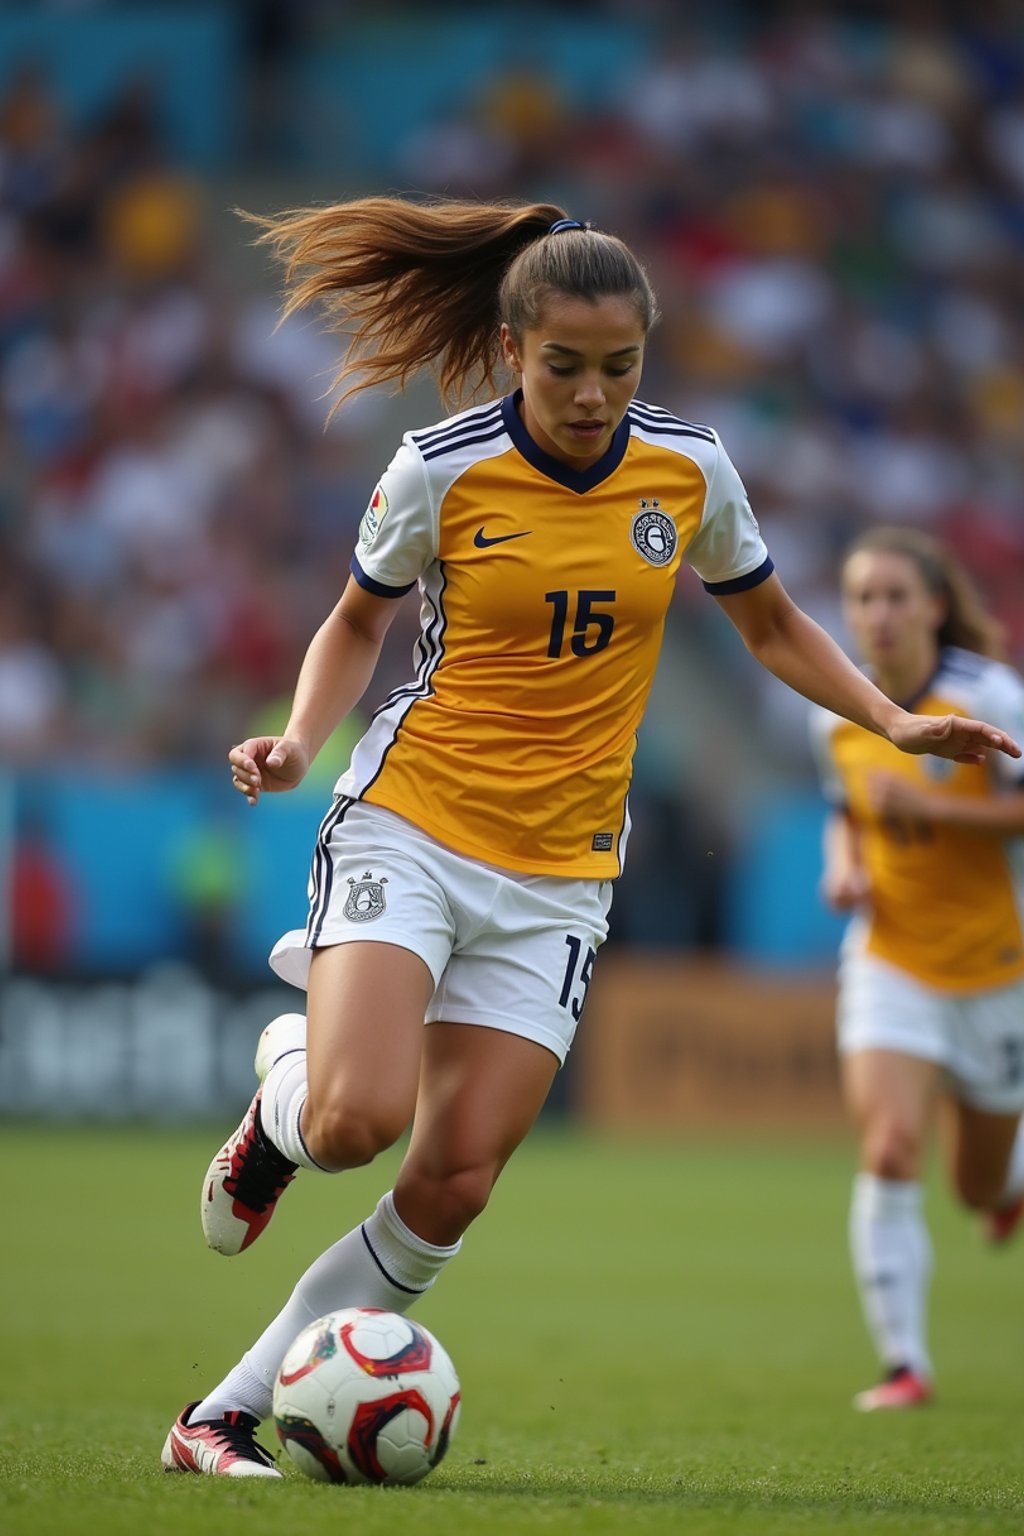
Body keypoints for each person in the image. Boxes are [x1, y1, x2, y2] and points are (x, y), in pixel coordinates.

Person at [161, 199, 1021, 1477]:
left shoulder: (689, 468)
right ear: (512, 349)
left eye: (619, 368)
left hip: (561, 874)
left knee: (452, 1185)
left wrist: (895, 719)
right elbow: (354, 623)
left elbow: (774, 626)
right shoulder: (439, 468)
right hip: (414, 820)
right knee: (355, 1125)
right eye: (564, 367)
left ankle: (217, 1417)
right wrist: (299, 741)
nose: (592, 394)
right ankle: (284, 1101)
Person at [811, 526, 1024, 1414]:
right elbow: (845, 809)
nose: (880, 615)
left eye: (898, 596)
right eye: (864, 598)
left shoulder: (991, 696)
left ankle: (1009, 1188)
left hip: (992, 968)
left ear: (935, 606)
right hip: (889, 958)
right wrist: (843, 862)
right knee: (892, 1145)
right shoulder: (834, 706)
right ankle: (906, 1365)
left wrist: (933, 812)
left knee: (978, 1183)